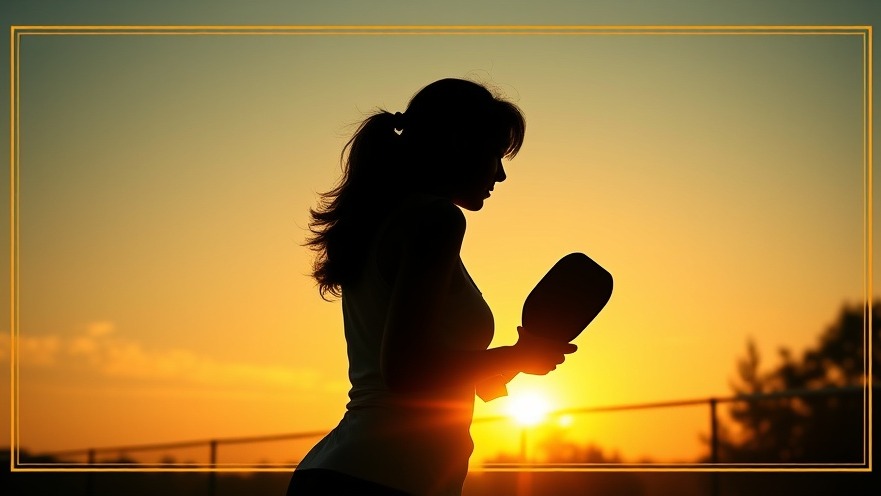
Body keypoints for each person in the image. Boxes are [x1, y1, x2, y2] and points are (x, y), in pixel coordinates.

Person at [287, 78, 577, 496]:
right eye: (495, 154)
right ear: (460, 142)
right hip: (384, 477)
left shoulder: (383, 220)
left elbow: (429, 376)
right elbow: (407, 371)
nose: (500, 173)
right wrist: (515, 353)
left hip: (344, 470)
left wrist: (514, 361)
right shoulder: (436, 220)